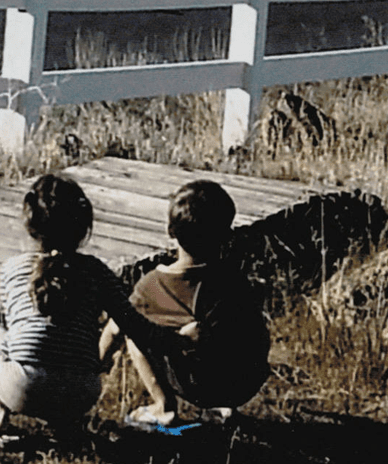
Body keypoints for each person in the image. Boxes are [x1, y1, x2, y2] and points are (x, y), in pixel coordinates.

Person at [0, 172, 176, 440]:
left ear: (31, 225)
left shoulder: (13, 268)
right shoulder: (97, 272)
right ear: (83, 227)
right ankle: (65, 421)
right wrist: (178, 338)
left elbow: (18, 333)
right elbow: (135, 325)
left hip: (23, 388)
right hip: (82, 393)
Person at [99, 179, 270, 429]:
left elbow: (115, 327)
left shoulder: (151, 286)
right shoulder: (233, 280)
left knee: (134, 332)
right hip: (245, 382)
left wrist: (96, 364)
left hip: (196, 385)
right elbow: (258, 335)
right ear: (225, 234)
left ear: (171, 232)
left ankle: (163, 407)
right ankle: (222, 409)